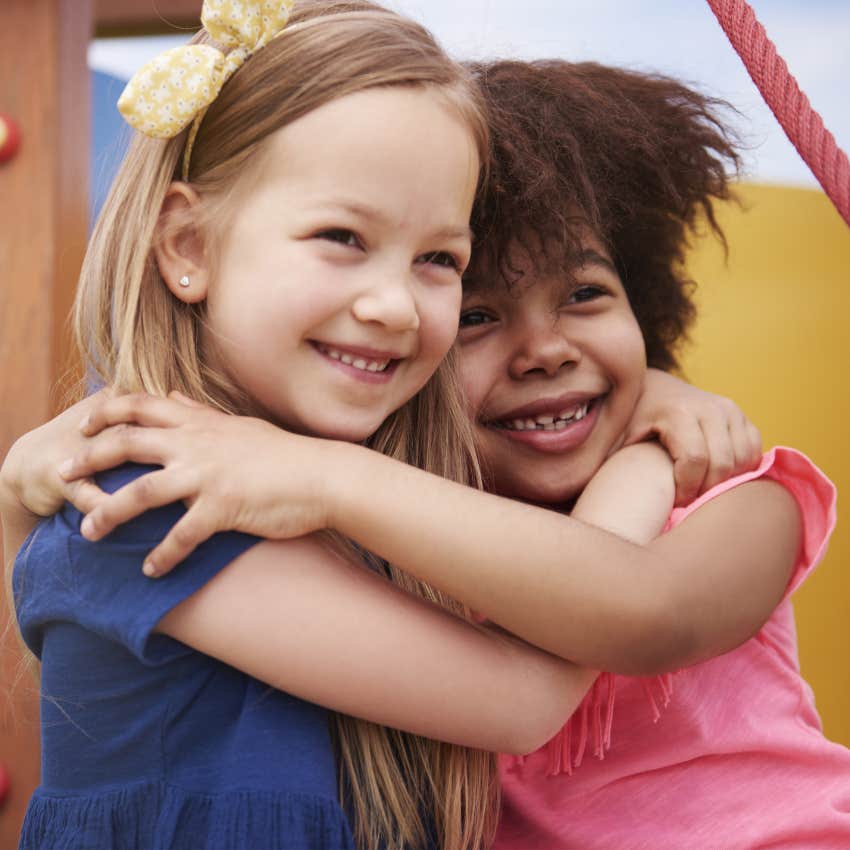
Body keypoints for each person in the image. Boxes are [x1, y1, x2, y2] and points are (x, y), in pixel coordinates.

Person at [17, 58, 847, 848]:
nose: (546, 350)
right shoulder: (379, 538)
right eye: (479, 314)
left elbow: (653, 611)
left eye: (587, 294)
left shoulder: (733, 491)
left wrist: (648, 445)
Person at [0, 5, 604, 849]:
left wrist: (657, 399)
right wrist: (641, 465)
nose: (393, 306)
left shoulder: (360, 499)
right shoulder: (145, 495)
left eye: (439, 259)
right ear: (188, 245)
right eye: (341, 236)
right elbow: (526, 700)